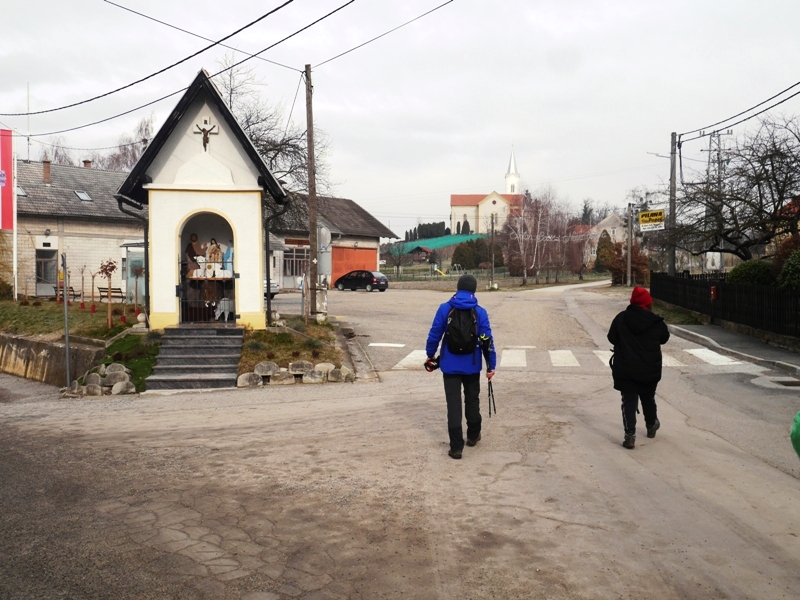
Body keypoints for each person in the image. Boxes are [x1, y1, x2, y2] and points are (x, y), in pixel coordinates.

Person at [426, 274, 497, 459]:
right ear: (474, 289)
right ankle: (473, 435)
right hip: (472, 365)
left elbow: (435, 333)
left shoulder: (445, 309)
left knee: (453, 404)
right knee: (472, 400)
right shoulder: (480, 312)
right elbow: (486, 340)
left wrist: (430, 354)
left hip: (449, 365)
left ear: (458, 288)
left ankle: (456, 448)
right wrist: (491, 365)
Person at [607, 286, 670, 449]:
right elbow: (664, 338)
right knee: (648, 397)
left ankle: (630, 435)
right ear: (648, 303)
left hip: (626, 368)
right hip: (649, 368)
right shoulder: (656, 321)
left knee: (629, 400)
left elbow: (611, 338)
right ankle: (651, 425)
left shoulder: (621, 318)